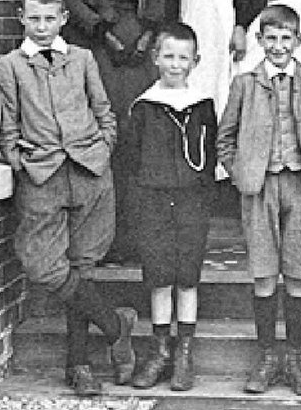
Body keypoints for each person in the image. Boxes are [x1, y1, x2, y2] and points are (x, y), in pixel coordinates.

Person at [0, 0, 136, 397]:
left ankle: (79, 366)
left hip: (90, 171)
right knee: (43, 265)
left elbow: (104, 109)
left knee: (83, 266)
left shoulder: (84, 58)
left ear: (63, 19)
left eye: (49, 18)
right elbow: (8, 124)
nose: (41, 26)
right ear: (22, 19)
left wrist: (104, 146)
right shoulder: (11, 66)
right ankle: (115, 324)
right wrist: (19, 160)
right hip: (43, 175)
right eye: (33, 18)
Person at [217, 4, 301, 397]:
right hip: (259, 186)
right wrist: (240, 172)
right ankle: (267, 356)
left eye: (286, 38)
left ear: (299, 41)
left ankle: (295, 358)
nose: (278, 46)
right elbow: (225, 138)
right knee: (264, 273)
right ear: (259, 41)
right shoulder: (244, 83)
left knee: (299, 273)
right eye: (270, 38)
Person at [50, 0, 163, 264]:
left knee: (139, 135)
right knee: (103, 135)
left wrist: (148, 34)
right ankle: (102, 241)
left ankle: (138, 239)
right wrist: (105, 34)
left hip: (140, 42)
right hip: (97, 43)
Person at [126, 22, 218, 392]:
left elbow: (209, 157)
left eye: (183, 57)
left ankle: (184, 352)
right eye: (168, 56)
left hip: (192, 200)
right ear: (155, 58)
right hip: (153, 199)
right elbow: (132, 160)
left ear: (195, 61)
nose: (175, 64)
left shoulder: (203, 105)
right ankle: (160, 350)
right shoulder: (144, 107)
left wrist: (202, 193)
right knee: (160, 274)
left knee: (187, 275)